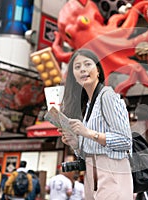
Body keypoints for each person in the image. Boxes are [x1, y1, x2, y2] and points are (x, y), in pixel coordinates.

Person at [60, 48, 133, 200]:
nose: (83, 70)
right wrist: (75, 143)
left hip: (112, 170)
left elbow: (125, 140)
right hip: (91, 173)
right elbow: (89, 150)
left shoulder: (107, 96)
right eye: (77, 67)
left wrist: (87, 133)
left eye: (87, 64)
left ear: (98, 71)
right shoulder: (87, 106)